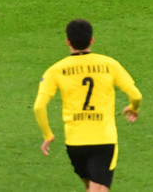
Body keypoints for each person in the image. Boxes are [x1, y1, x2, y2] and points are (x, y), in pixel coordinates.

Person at [33, 19, 142, 191]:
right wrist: (133, 108)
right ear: (92, 40)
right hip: (103, 140)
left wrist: (47, 135)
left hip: (75, 143)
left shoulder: (55, 70)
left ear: (68, 41)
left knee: (91, 187)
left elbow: (39, 106)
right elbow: (136, 95)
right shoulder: (109, 64)